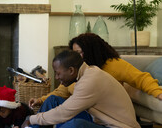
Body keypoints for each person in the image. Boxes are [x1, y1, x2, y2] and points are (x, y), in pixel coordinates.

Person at [0, 50, 143, 128]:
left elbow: (64, 113)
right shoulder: (87, 74)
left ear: (71, 70)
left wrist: (31, 119)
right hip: (103, 124)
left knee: (77, 126)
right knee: (53, 100)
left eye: (58, 73)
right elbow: (63, 106)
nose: (57, 78)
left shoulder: (90, 81)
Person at [29, 33, 162, 109]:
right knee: (52, 101)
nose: (76, 57)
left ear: (92, 51)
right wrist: (41, 100)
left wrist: (158, 93)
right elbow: (63, 90)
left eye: (79, 53)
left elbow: (140, 78)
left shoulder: (114, 65)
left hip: (101, 112)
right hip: (80, 107)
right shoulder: (76, 69)